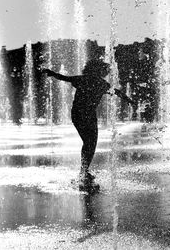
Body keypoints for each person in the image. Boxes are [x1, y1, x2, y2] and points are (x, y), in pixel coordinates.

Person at [42, 59, 133, 191]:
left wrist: (52, 73)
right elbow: (117, 92)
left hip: (81, 115)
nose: (106, 72)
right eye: (104, 70)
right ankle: (84, 172)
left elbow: (63, 77)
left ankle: (84, 171)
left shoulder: (87, 80)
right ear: (99, 70)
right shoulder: (97, 82)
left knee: (89, 143)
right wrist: (129, 100)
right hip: (84, 115)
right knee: (90, 143)